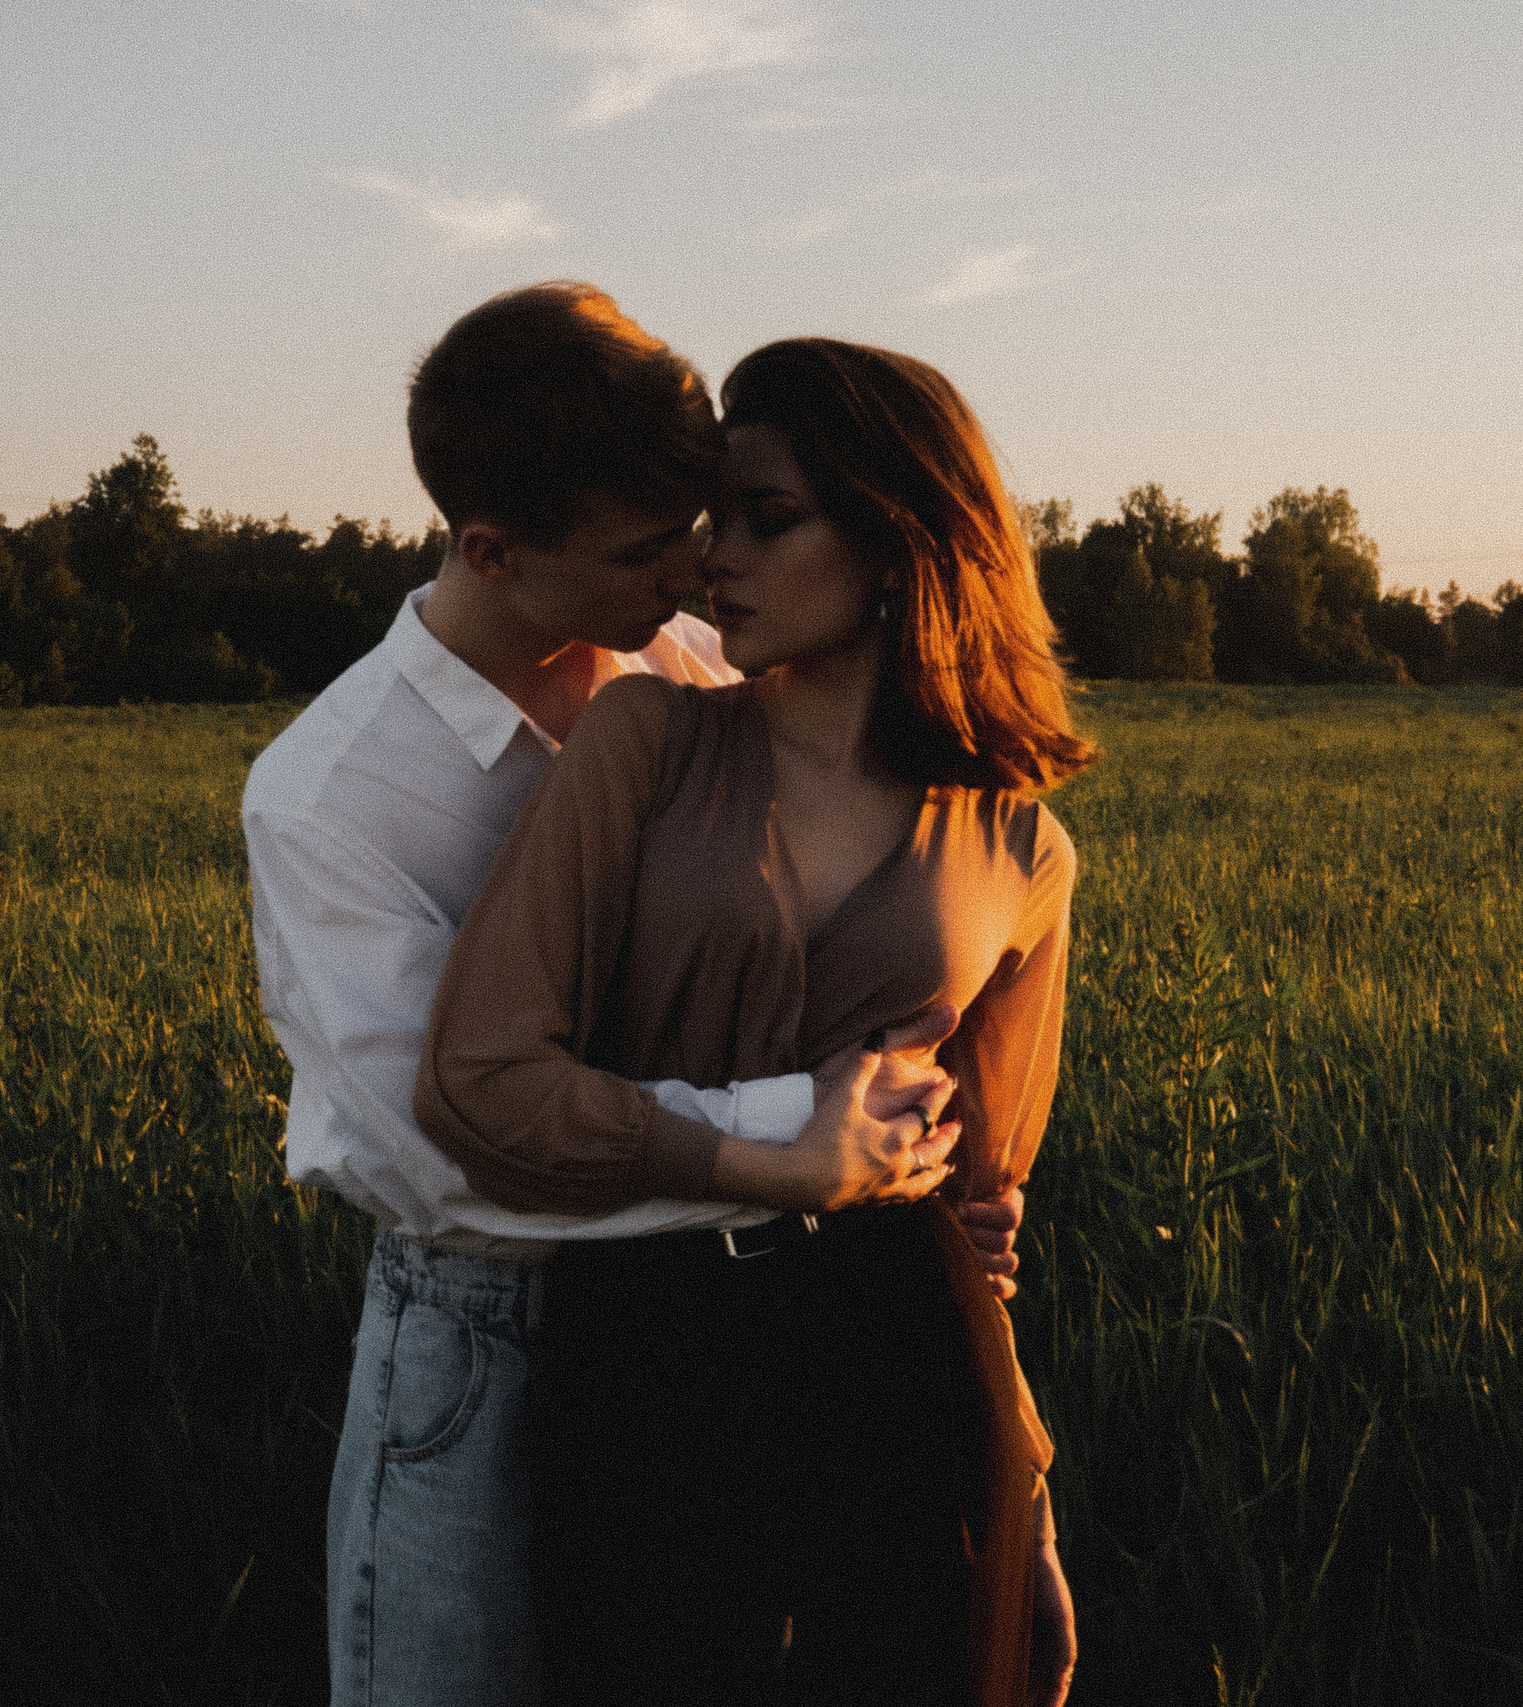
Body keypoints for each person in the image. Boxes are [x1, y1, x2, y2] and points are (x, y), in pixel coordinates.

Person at [241, 285, 1028, 1707]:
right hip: (486, 1312)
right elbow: (456, 1146)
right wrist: (797, 1148)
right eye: (647, 548)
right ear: (492, 548)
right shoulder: (330, 797)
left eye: (709, 522)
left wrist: (930, 1215)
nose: (694, 572)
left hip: (723, 1312)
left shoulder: (681, 662)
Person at [415, 336, 1093, 1706]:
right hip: (650, 1338)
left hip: (905, 1358)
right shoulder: (649, 744)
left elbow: (976, 1213)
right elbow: (478, 1080)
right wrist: (737, 1159)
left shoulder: (1024, 852)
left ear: (902, 541)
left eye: (766, 520)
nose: (712, 556)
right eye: (718, 516)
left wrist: (1024, 1485)